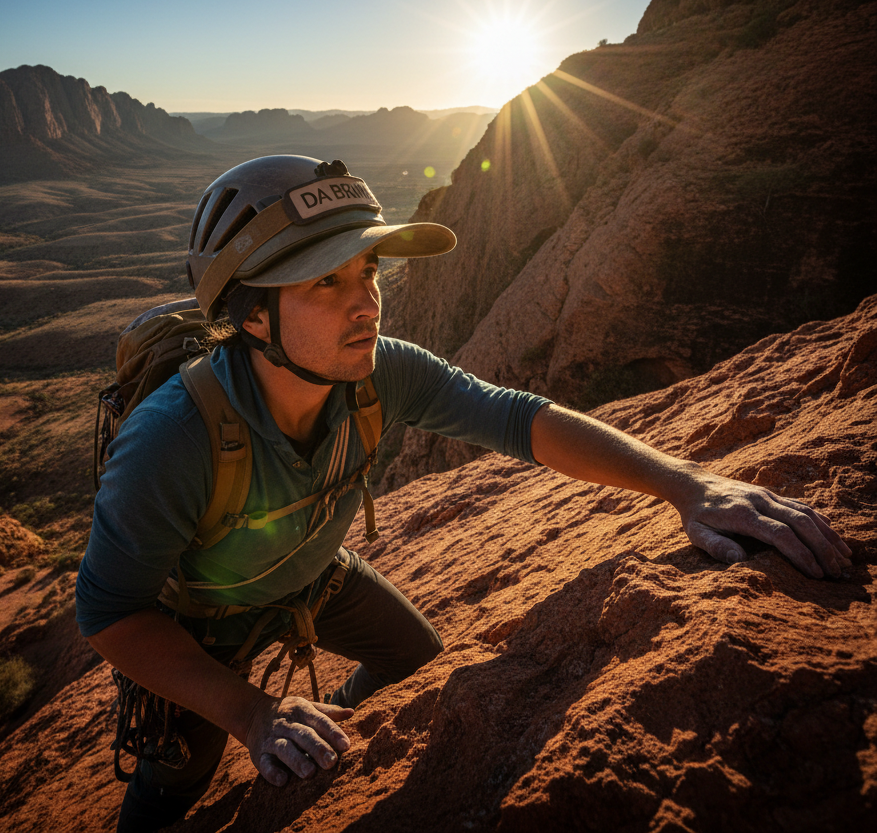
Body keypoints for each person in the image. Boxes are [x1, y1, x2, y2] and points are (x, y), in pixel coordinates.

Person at [76, 155, 851, 832]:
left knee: (415, 656)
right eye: (327, 281)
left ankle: (328, 721)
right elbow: (112, 612)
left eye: (369, 271)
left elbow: (517, 420)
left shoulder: (384, 370)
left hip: (311, 574)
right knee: (175, 776)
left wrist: (684, 484)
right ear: (250, 313)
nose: (368, 303)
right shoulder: (172, 438)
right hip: (201, 622)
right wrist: (251, 714)